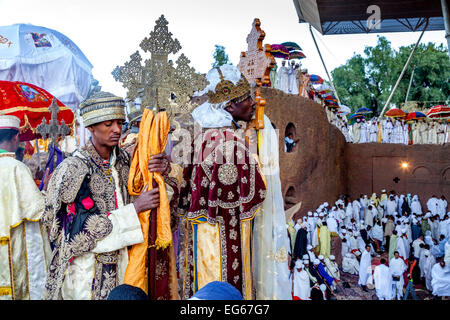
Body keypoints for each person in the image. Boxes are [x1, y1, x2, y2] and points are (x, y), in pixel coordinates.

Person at [41, 92, 169, 300]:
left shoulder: (128, 162)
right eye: (108, 124)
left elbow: (152, 202)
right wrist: (134, 210)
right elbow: (75, 231)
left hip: (128, 266)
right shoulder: (73, 169)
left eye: (120, 123)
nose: (117, 130)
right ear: (91, 127)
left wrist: (160, 174)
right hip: (87, 273)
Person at [186, 65, 290, 300]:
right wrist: (259, 159)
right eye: (245, 99)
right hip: (225, 233)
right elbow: (255, 191)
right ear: (229, 106)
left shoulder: (203, 135)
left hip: (204, 233)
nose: (253, 103)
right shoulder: (228, 140)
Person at [0, 115, 52, 300]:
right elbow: (37, 210)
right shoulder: (16, 167)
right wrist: (45, 190)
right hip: (14, 241)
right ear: (15, 138)